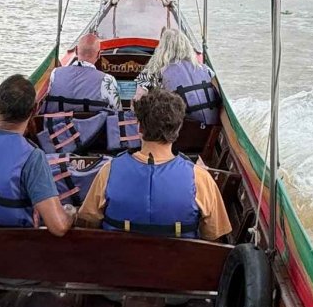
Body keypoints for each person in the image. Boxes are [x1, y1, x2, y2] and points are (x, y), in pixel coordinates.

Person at [75, 88, 231, 240]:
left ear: (139, 128)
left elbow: (88, 222)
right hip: (179, 265)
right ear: (177, 129)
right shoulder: (200, 178)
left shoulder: (109, 171)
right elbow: (213, 234)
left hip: (119, 263)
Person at [0, 74, 74, 236]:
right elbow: (58, 227)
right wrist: (71, 214)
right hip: (11, 248)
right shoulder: (32, 157)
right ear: (34, 110)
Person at [134, 26, 219, 127]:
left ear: (162, 49)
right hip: (210, 131)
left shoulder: (154, 72)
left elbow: (137, 105)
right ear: (187, 47)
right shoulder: (206, 69)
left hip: (177, 133)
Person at [42, 31, 119, 116]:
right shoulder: (108, 80)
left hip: (56, 127)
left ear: (76, 50)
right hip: (93, 128)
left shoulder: (55, 73)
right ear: (99, 54)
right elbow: (117, 113)